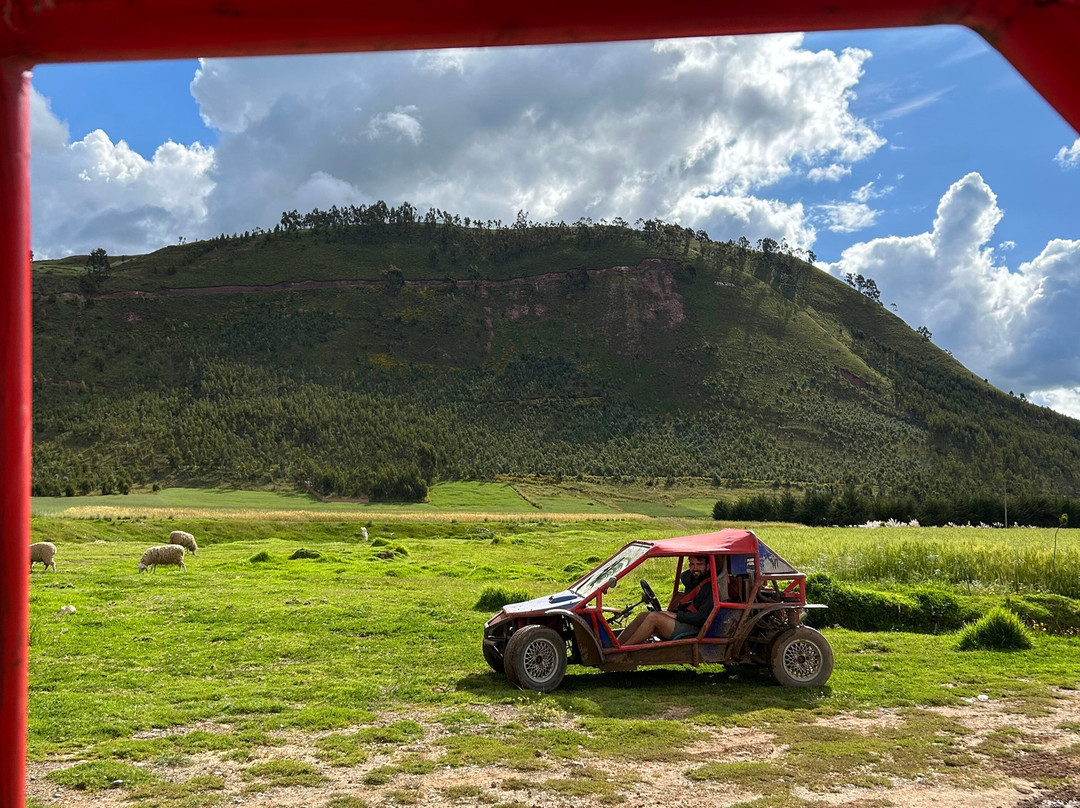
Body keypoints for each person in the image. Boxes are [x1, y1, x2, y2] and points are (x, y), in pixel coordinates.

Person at [616, 555, 715, 646]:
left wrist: (676, 615)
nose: (695, 568)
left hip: (694, 629)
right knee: (643, 615)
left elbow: (703, 618)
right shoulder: (693, 581)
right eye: (692, 564)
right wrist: (672, 613)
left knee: (654, 618)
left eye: (699, 564)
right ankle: (616, 645)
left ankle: (623, 650)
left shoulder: (710, 588)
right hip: (684, 620)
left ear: (708, 566)